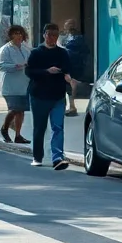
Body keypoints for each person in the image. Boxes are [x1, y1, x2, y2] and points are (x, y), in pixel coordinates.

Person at [27, 22, 72, 170]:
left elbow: (67, 68)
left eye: (55, 35)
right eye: (49, 35)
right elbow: (29, 72)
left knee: (58, 127)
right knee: (40, 127)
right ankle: (37, 157)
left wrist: (66, 75)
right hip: (39, 96)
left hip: (58, 95)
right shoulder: (36, 53)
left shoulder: (63, 53)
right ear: (44, 35)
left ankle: (57, 158)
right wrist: (46, 71)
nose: (52, 38)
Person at [0, 25, 31, 144]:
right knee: (14, 109)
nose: (19, 36)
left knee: (21, 111)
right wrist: (16, 66)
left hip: (23, 85)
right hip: (10, 85)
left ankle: (18, 135)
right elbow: (1, 66)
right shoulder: (5, 49)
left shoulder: (25, 49)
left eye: (20, 33)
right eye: (16, 33)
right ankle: (4, 128)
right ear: (11, 35)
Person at [61, 19, 88, 116]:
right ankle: (69, 105)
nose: (67, 27)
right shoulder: (66, 37)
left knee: (72, 82)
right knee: (67, 84)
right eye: (66, 25)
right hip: (66, 63)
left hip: (75, 64)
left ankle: (72, 106)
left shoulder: (78, 38)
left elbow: (84, 51)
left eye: (69, 25)